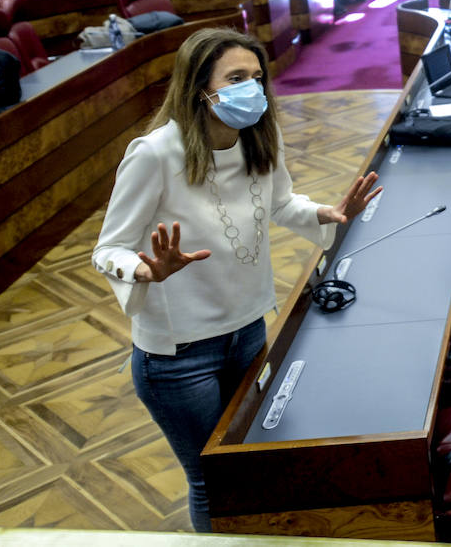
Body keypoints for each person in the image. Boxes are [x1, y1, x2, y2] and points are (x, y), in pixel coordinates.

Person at [91, 28, 381, 532]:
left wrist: (327, 213)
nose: (254, 89)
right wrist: (145, 269)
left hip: (247, 330)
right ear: (201, 88)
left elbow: (280, 203)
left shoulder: (260, 137)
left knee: (250, 461)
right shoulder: (156, 153)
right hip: (179, 357)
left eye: (258, 78)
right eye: (237, 78)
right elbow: (107, 249)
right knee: (212, 480)